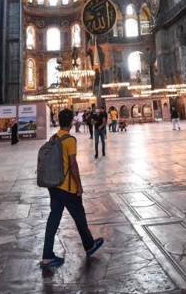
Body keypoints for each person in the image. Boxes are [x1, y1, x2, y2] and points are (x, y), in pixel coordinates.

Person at [40, 109, 104, 269]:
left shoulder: (53, 137)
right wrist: (79, 186)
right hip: (67, 187)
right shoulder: (70, 140)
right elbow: (73, 164)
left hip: (54, 186)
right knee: (79, 217)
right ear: (71, 122)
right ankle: (89, 246)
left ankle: (47, 257)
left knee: (53, 220)